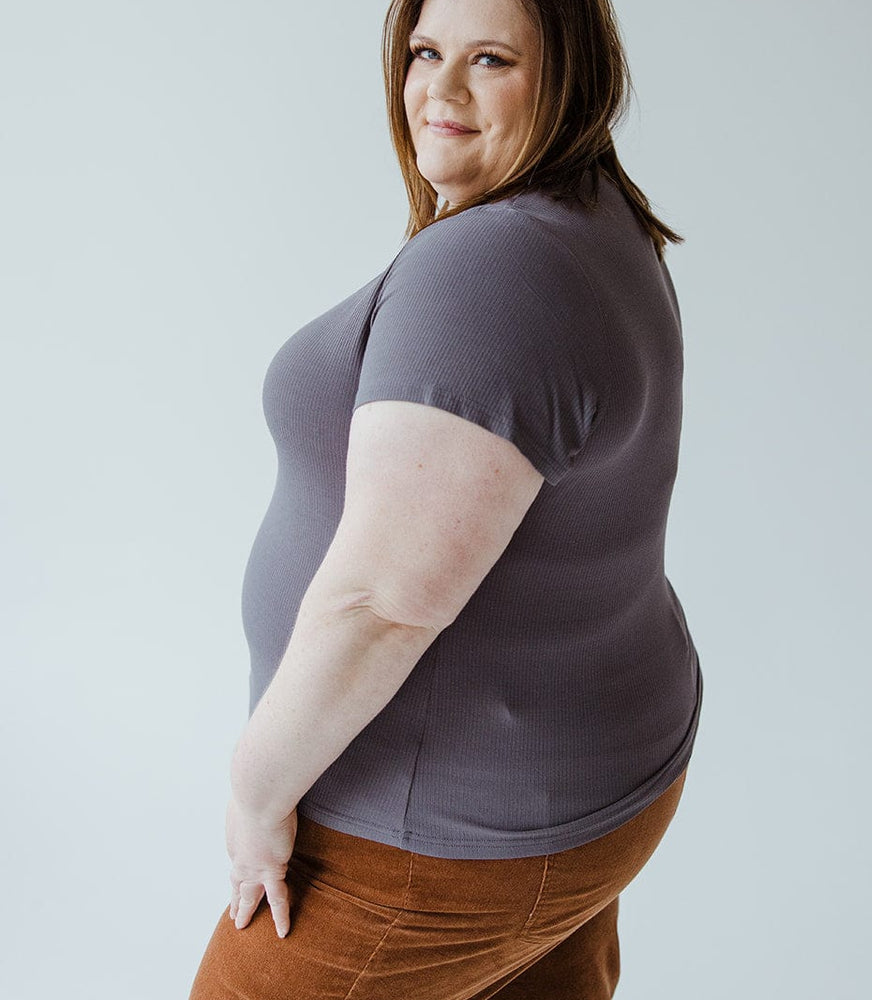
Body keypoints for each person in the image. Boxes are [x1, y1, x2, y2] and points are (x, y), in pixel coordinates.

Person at [188, 0, 703, 996]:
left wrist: (255, 792)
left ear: (570, 74)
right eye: (426, 51)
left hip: (431, 848)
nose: (440, 89)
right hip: (587, 782)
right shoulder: (599, 212)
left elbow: (378, 606)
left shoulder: (493, 271)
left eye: (492, 59)